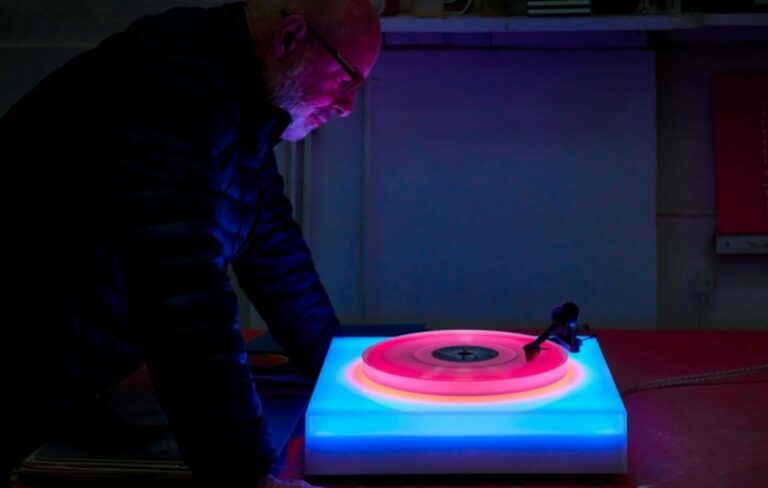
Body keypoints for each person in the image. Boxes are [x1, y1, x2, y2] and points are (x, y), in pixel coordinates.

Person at [0, 0, 381, 486]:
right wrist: (243, 472)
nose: (347, 107)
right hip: (17, 379)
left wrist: (341, 371)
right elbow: (182, 293)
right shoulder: (170, 86)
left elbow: (275, 255)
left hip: (62, 378)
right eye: (347, 78)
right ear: (290, 38)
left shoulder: (237, 97)